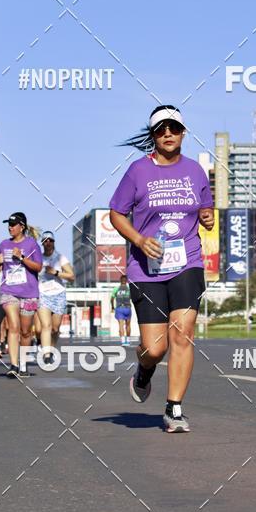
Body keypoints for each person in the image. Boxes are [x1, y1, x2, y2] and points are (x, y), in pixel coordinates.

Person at [109, 105, 214, 433]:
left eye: (174, 127)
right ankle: (143, 370)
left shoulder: (196, 171)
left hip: (187, 263)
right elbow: (116, 213)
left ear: (183, 132)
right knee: (155, 348)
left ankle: (174, 409)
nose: (167, 133)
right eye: (160, 129)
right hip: (146, 268)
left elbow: (205, 210)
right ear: (153, 136)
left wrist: (209, 217)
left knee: (183, 333)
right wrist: (139, 240)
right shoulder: (138, 171)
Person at [0, 211, 42, 377]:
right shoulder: (3, 244)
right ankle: (13, 365)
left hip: (29, 292)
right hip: (9, 291)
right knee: (13, 326)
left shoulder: (32, 244)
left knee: (26, 331)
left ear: (21, 227)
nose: (10, 227)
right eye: (8, 224)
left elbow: (38, 267)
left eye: (13, 224)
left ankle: (23, 364)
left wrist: (21, 257)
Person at [37, 231, 74, 364]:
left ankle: (51, 349)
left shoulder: (60, 258)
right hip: (42, 294)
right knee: (45, 326)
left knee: (55, 328)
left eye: (50, 240)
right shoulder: (38, 258)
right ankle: (46, 355)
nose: (48, 243)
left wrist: (56, 272)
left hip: (58, 294)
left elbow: (71, 276)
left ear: (54, 242)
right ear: (42, 243)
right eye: (45, 240)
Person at [111, 274, 132, 345]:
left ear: (120, 281)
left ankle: (123, 341)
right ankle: (128, 341)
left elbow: (112, 299)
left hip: (119, 308)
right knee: (128, 325)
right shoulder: (129, 289)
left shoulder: (116, 289)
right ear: (126, 281)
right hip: (128, 308)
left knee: (121, 325)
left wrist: (112, 307)